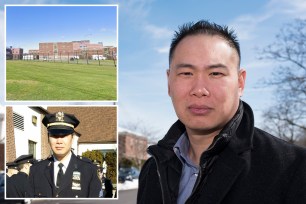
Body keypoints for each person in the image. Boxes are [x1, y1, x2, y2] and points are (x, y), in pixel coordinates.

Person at [137, 20, 306, 204]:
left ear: (240, 83)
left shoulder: (294, 169)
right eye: (186, 73)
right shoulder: (152, 170)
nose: (199, 89)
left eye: (215, 73)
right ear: (169, 82)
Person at [29, 112, 101, 198]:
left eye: (64, 136)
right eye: (54, 136)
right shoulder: (36, 170)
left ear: (72, 137)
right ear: (48, 138)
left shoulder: (89, 171)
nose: (59, 141)